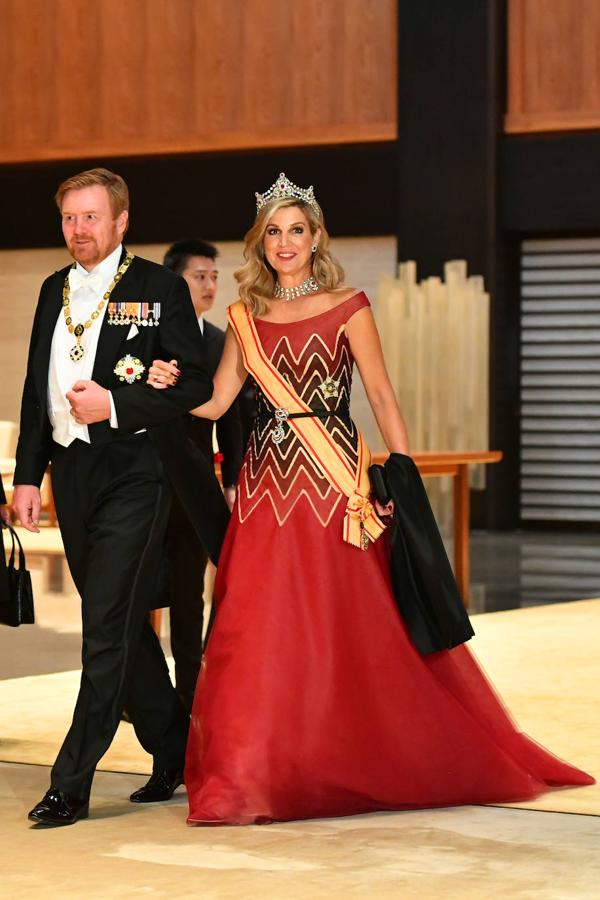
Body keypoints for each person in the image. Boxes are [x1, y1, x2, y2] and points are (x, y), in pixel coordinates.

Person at [148, 173, 594, 826]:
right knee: (257, 635)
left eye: (296, 230)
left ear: (316, 237)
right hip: (268, 495)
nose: (285, 242)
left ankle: (346, 758)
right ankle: (252, 774)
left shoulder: (349, 305)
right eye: (273, 231)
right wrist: (167, 382)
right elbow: (217, 402)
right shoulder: (245, 318)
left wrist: (404, 481)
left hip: (336, 491)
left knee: (346, 634)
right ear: (260, 243)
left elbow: (381, 398)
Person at [12, 167, 223, 827]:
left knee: (103, 628)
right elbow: (34, 388)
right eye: (70, 218)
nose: (79, 230)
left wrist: (118, 402)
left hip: (137, 471)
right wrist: (26, 473)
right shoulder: (52, 289)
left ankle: (70, 782)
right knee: (123, 626)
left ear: (121, 220)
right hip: (71, 477)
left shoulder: (159, 288)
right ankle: (177, 750)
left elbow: (193, 381)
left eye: (91, 217)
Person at [161, 239, 243, 713]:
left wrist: (232, 477)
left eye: (214, 276)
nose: (211, 285)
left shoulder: (219, 340)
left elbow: (232, 417)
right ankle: (143, 692)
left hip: (197, 486)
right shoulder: (150, 337)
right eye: (200, 276)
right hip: (150, 481)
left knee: (192, 594)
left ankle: (190, 695)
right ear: (176, 281)